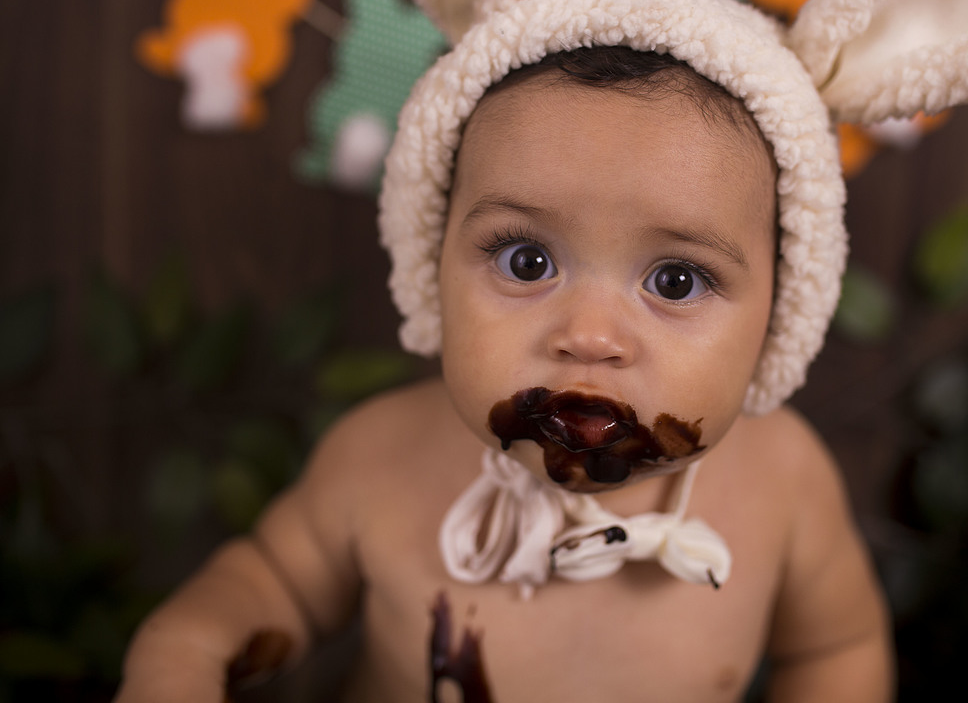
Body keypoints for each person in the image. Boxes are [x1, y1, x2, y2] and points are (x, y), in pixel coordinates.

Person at [115, 43, 893, 703]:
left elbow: (834, 651)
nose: (588, 336)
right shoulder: (379, 456)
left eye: (676, 281)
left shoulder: (783, 482)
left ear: (779, 312)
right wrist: (187, 650)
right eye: (528, 261)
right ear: (432, 265)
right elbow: (276, 583)